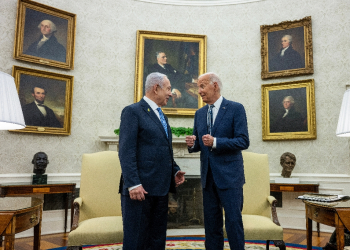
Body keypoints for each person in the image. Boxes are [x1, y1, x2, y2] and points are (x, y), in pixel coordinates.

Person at [118, 72, 186, 250]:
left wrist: (175, 170)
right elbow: (126, 151)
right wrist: (133, 184)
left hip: (161, 189)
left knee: (157, 240)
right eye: (169, 88)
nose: (171, 93)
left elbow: (163, 150)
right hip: (140, 190)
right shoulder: (132, 112)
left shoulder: (161, 115)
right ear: (156, 88)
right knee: (137, 241)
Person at [185, 72, 249, 250]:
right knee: (211, 226)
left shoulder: (236, 108)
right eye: (198, 87)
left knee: (233, 224)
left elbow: (243, 141)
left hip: (230, 178)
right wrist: (193, 144)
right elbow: (200, 144)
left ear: (215, 86)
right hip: (208, 179)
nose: (199, 91)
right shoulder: (199, 114)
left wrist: (216, 142)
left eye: (202, 86)